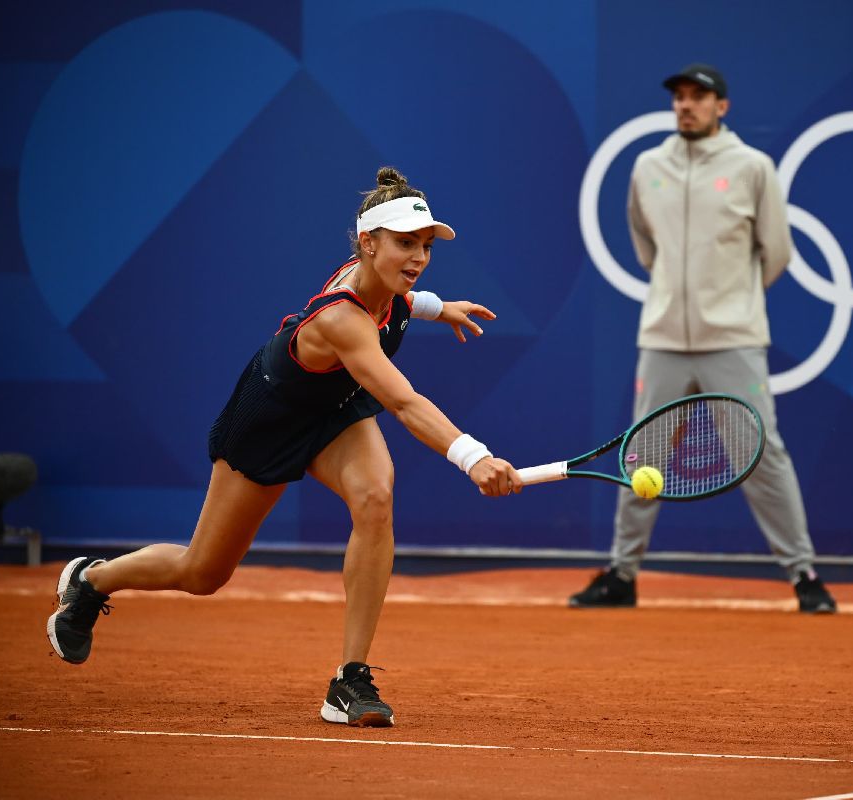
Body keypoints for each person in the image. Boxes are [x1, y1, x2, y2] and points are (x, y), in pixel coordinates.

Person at [46, 167, 524, 727]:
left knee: (375, 497)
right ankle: (92, 579)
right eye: (403, 244)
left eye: (424, 246)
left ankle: (350, 679)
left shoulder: (383, 284)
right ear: (368, 244)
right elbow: (404, 402)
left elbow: (400, 299)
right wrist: (474, 456)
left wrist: (439, 308)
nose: (417, 257)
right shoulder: (343, 318)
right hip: (268, 421)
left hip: (335, 410)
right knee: (202, 573)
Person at [569, 64, 836, 614]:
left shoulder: (753, 168)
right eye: (680, 97)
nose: (686, 105)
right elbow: (646, 247)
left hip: (733, 337)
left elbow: (776, 251)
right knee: (642, 455)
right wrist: (677, 295)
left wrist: (730, 300)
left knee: (761, 455)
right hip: (663, 335)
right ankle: (621, 575)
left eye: (699, 97)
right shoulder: (648, 167)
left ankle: (804, 574)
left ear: (723, 107)